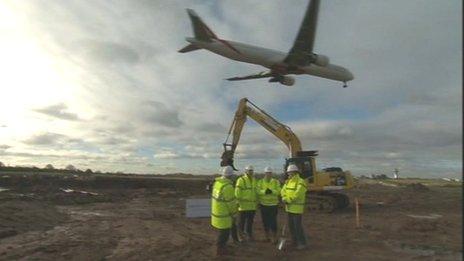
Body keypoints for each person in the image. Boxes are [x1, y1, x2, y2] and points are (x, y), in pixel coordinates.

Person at [211, 166, 238, 256]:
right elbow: (230, 203)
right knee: (224, 234)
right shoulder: (228, 187)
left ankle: (221, 248)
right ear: (231, 175)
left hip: (216, 213)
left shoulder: (217, 183)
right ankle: (219, 250)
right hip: (224, 215)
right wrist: (234, 214)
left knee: (222, 232)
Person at [280, 164, 308, 250]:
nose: (289, 174)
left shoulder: (301, 182)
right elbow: (283, 191)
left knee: (297, 226)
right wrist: (284, 197)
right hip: (289, 208)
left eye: (290, 173)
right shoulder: (288, 181)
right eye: (288, 173)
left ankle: (302, 243)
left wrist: (288, 200)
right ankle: (294, 241)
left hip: (297, 209)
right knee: (291, 226)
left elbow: (298, 194)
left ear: (295, 172)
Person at [257, 166, 281, 243]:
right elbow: (257, 191)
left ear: (271, 174)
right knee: (265, 221)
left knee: (273, 221)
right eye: (267, 173)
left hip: (273, 205)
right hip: (264, 205)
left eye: (270, 173)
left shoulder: (275, 182)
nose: (268, 174)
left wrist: (271, 191)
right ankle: (267, 236)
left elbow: (279, 191)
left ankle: (274, 237)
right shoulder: (260, 182)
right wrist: (264, 192)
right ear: (265, 173)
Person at [235, 165, 258, 242]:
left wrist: (257, 202)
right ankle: (240, 236)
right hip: (243, 206)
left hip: (252, 206)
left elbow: (255, 192)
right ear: (246, 171)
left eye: (251, 171)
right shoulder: (241, 180)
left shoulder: (254, 180)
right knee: (241, 222)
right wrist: (238, 202)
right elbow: (237, 193)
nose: (251, 172)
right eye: (249, 171)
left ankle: (249, 235)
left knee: (250, 222)